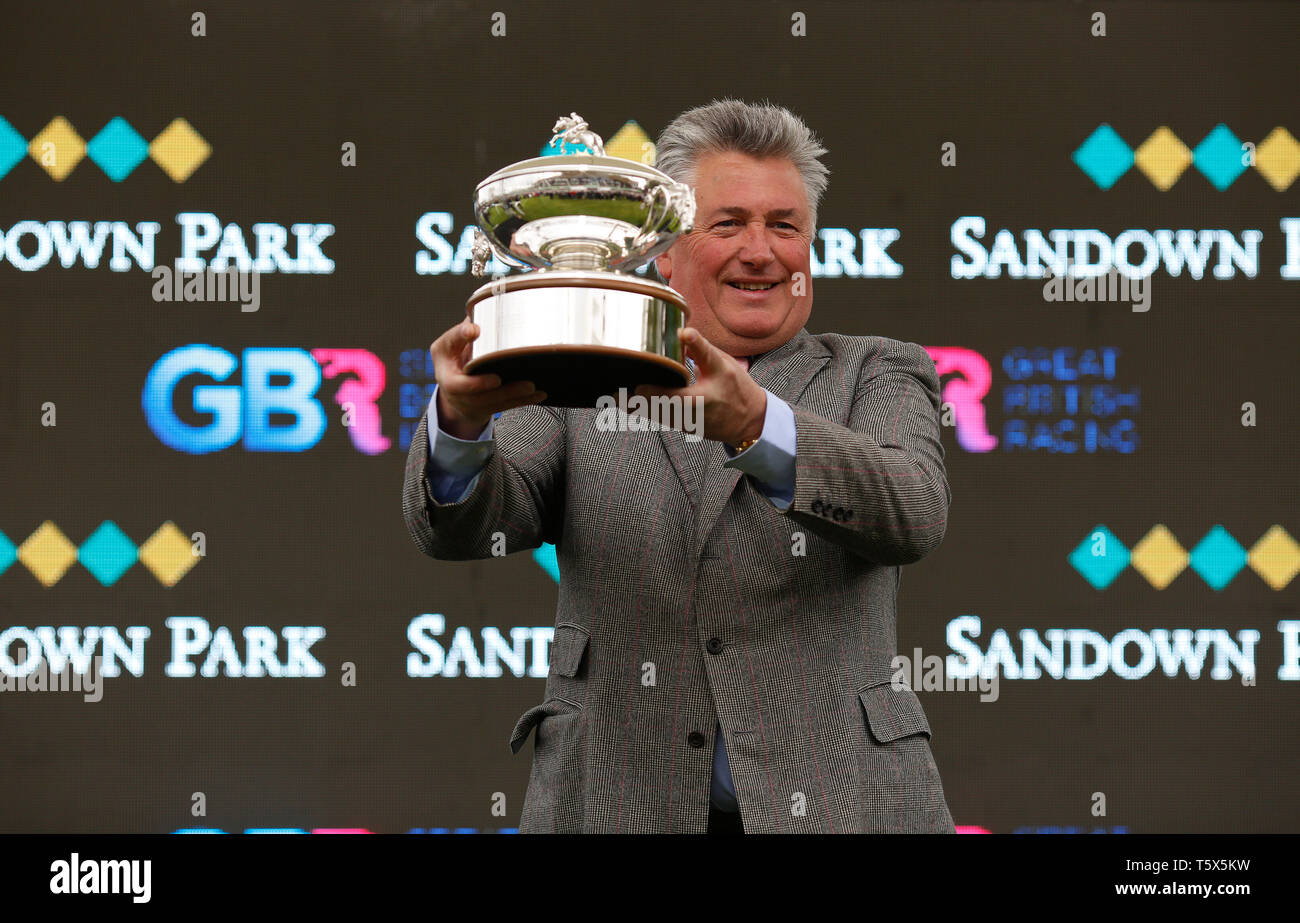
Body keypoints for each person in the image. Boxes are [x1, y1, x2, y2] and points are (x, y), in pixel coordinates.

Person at [403, 99, 955, 834]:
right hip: (613, 805)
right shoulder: (581, 379)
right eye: (727, 224)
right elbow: (469, 526)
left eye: (784, 226)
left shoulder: (878, 370)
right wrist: (462, 421)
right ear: (662, 251)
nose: (761, 251)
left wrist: (756, 424)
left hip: (842, 808)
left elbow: (912, 510)